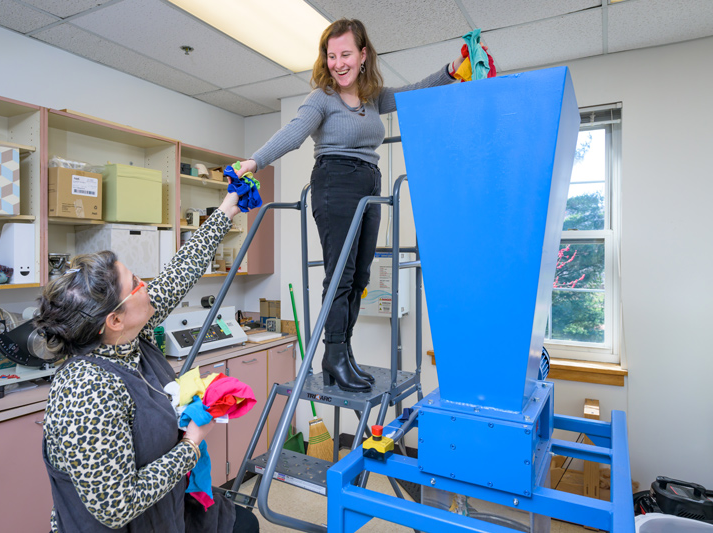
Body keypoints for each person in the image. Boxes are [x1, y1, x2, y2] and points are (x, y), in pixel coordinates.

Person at [234, 18, 470, 392]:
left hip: (368, 185)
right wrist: (254, 162)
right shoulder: (322, 98)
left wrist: (451, 72)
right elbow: (293, 133)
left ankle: (341, 353)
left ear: (363, 55)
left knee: (360, 277)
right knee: (340, 275)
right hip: (336, 183)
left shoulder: (373, 95)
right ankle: (334, 352)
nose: (338, 63)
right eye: (331, 56)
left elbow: (412, 94)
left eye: (346, 54)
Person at [35, 189, 259, 533]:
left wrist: (227, 209)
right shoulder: (85, 389)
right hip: (122, 524)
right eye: (136, 284)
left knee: (243, 524)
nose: (147, 287)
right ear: (113, 320)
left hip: (164, 512)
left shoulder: (130, 338)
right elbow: (116, 506)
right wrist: (191, 445)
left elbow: (177, 276)